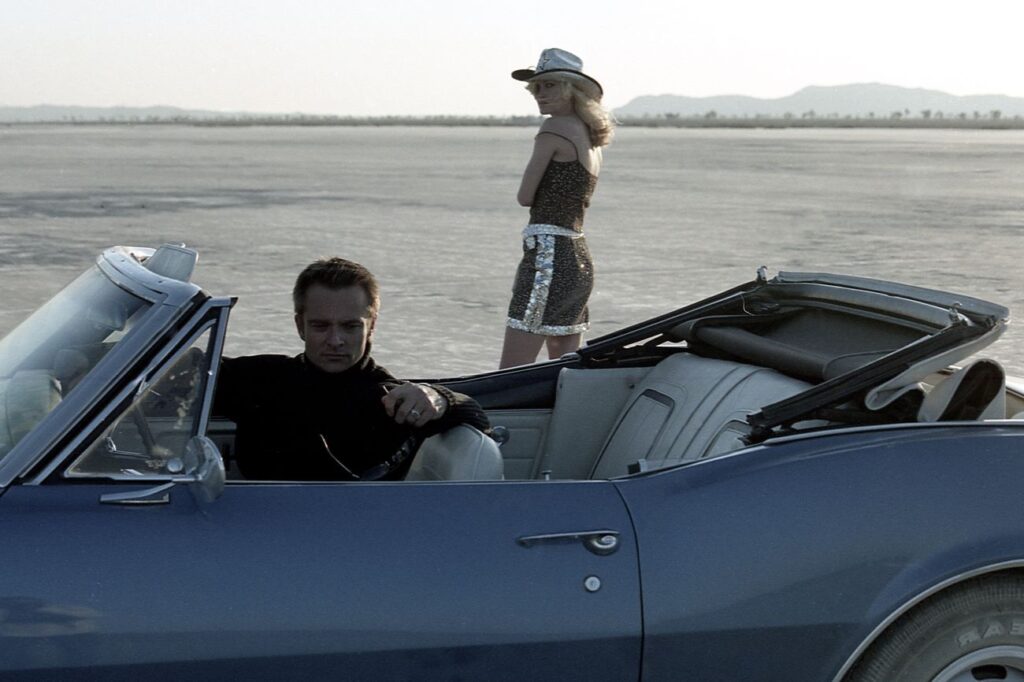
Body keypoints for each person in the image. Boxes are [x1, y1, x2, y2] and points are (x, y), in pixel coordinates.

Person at [213, 257, 490, 481]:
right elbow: (191, 372)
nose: (335, 340)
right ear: (300, 325)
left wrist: (439, 398)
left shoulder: (391, 400)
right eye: (321, 326)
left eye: (350, 326)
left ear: (372, 326)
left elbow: (476, 417)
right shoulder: (261, 379)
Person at [500, 48, 615, 369]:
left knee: (510, 372)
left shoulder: (554, 129)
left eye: (550, 85)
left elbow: (525, 196)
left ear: (571, 89)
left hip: (548, 258)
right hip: (578, 258)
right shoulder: (591, 137)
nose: (540, 94)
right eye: (537, 87)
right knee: (562, 372)